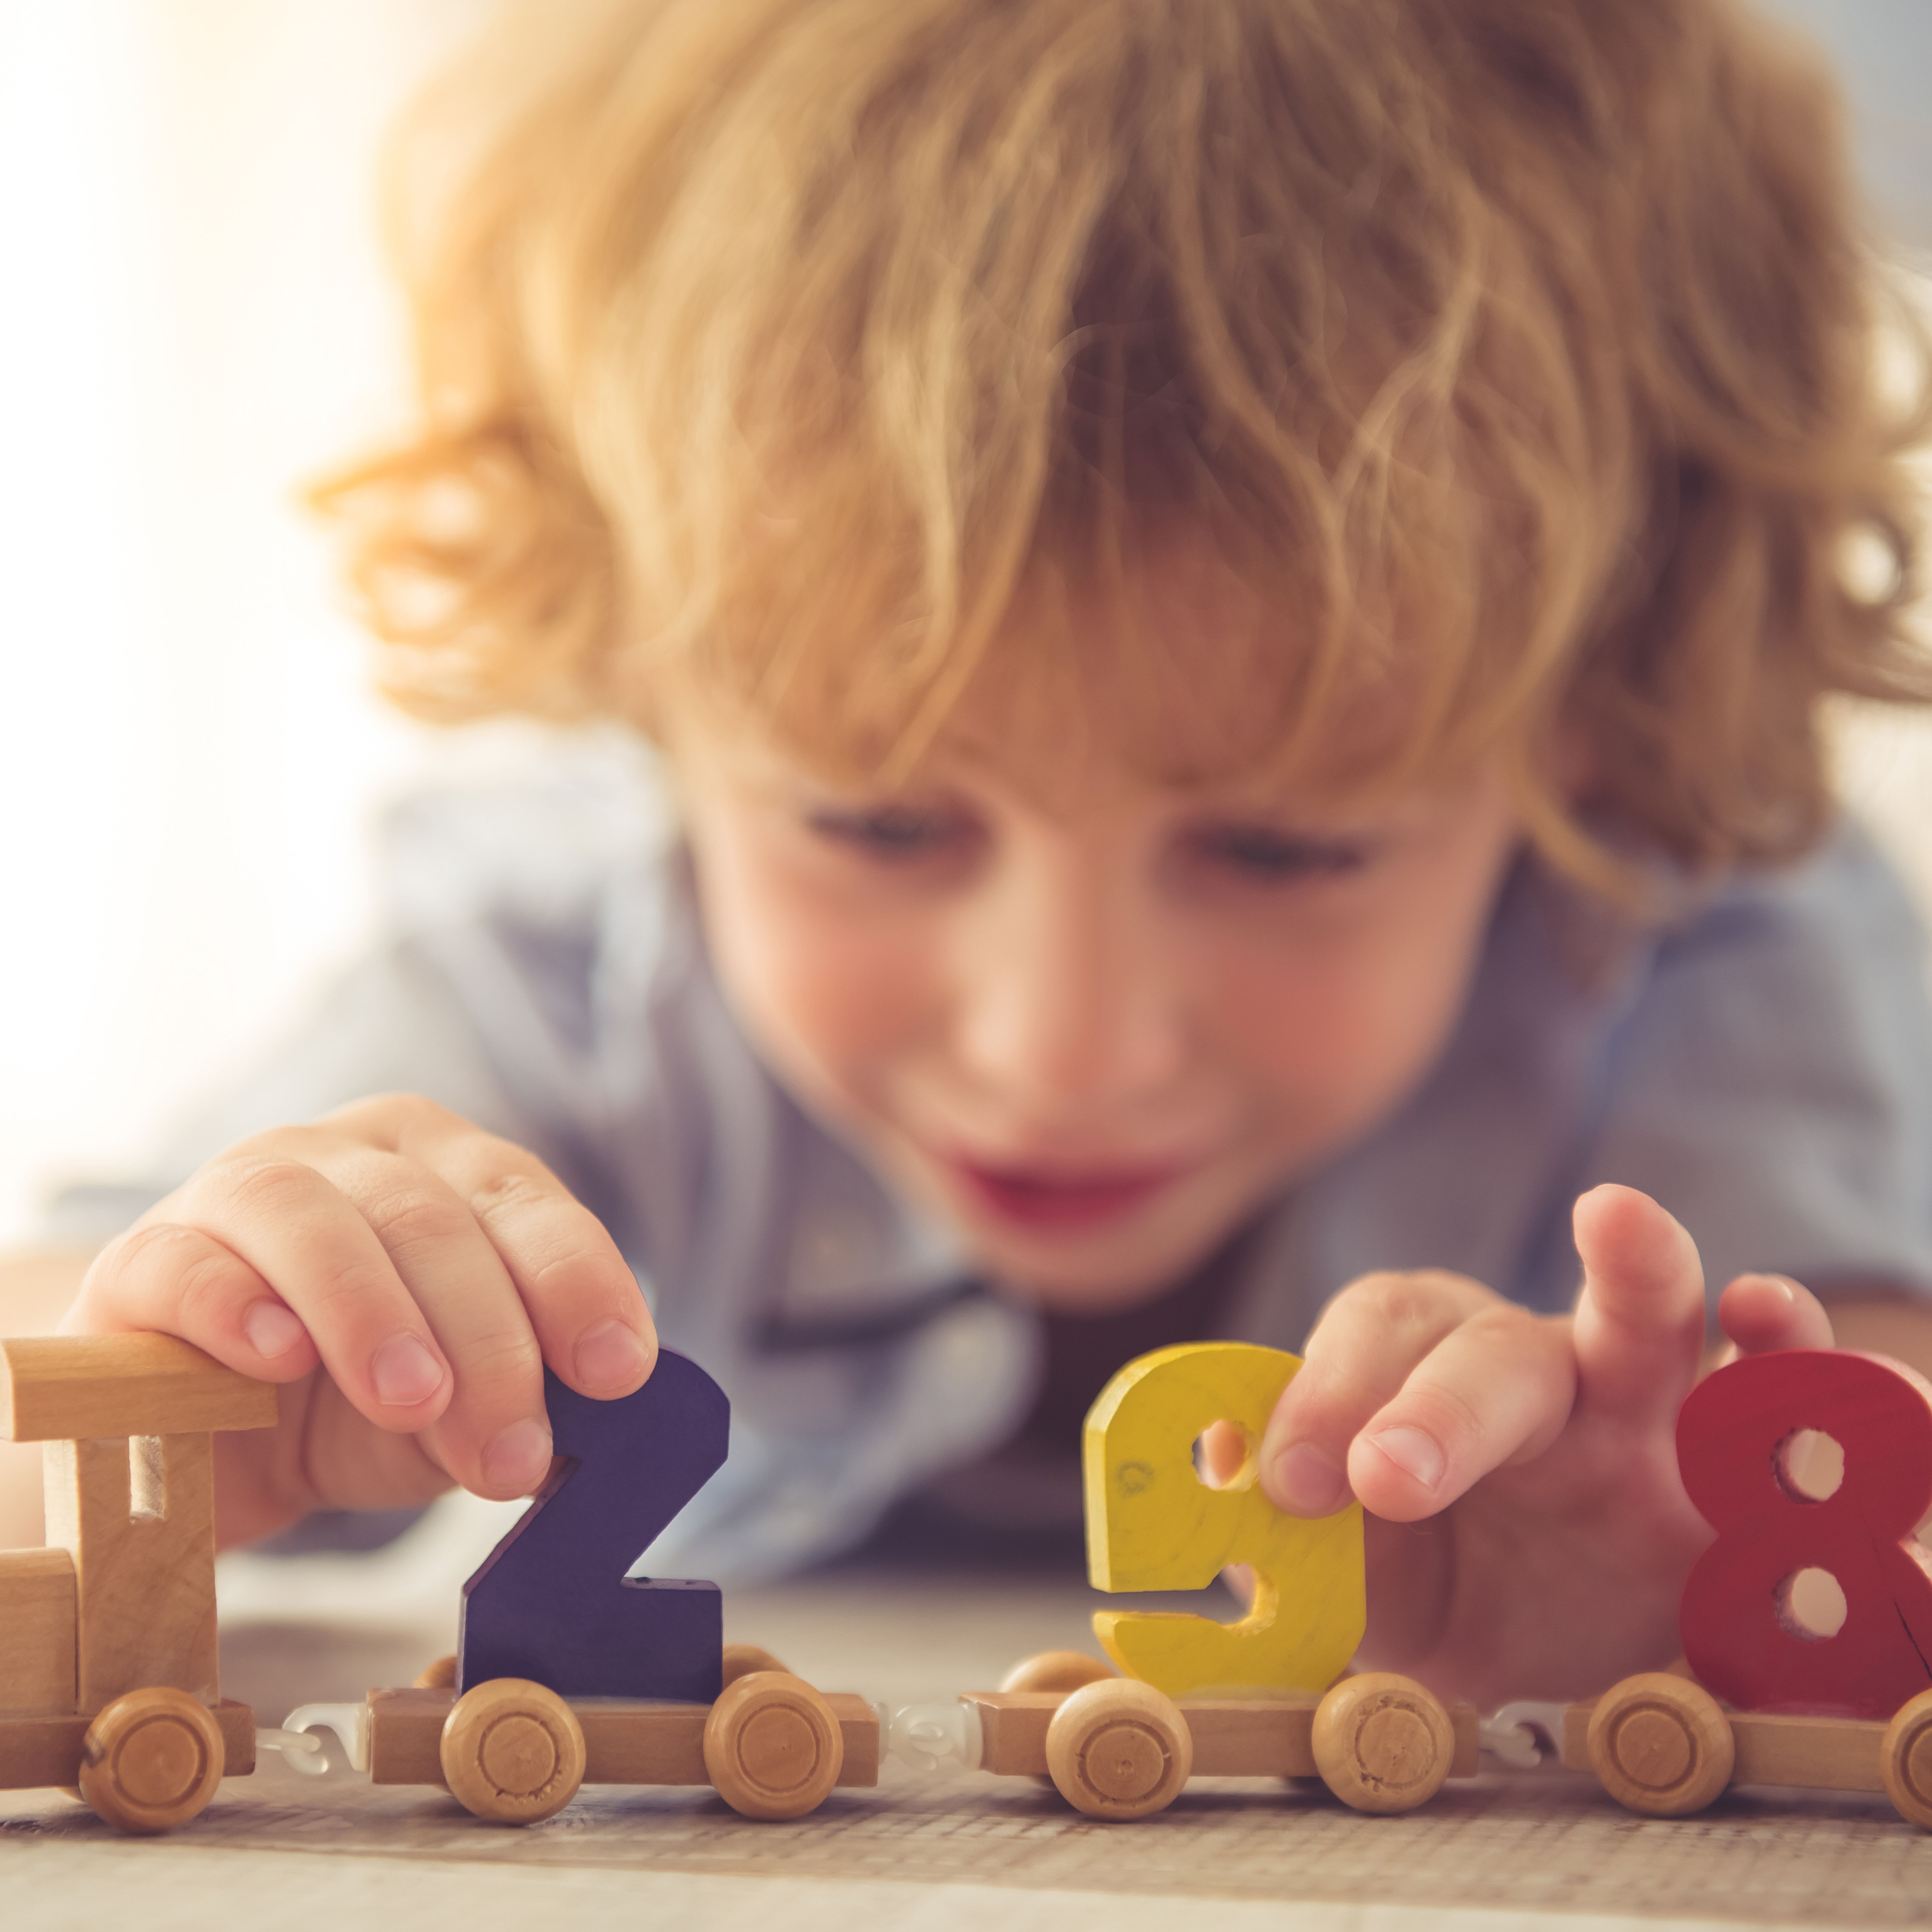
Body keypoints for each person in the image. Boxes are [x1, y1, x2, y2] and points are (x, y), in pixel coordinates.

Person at [5, 0, 1932, 1710]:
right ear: (650, 692)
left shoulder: (1701, 942)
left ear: (1592, 726)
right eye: (878, 822)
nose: (1062, 1048)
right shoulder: (562, 964)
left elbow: (1873, 1442)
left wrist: (1703, 1577)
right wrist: (186, 1394)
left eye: (1285, 847)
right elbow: (54, 1337)